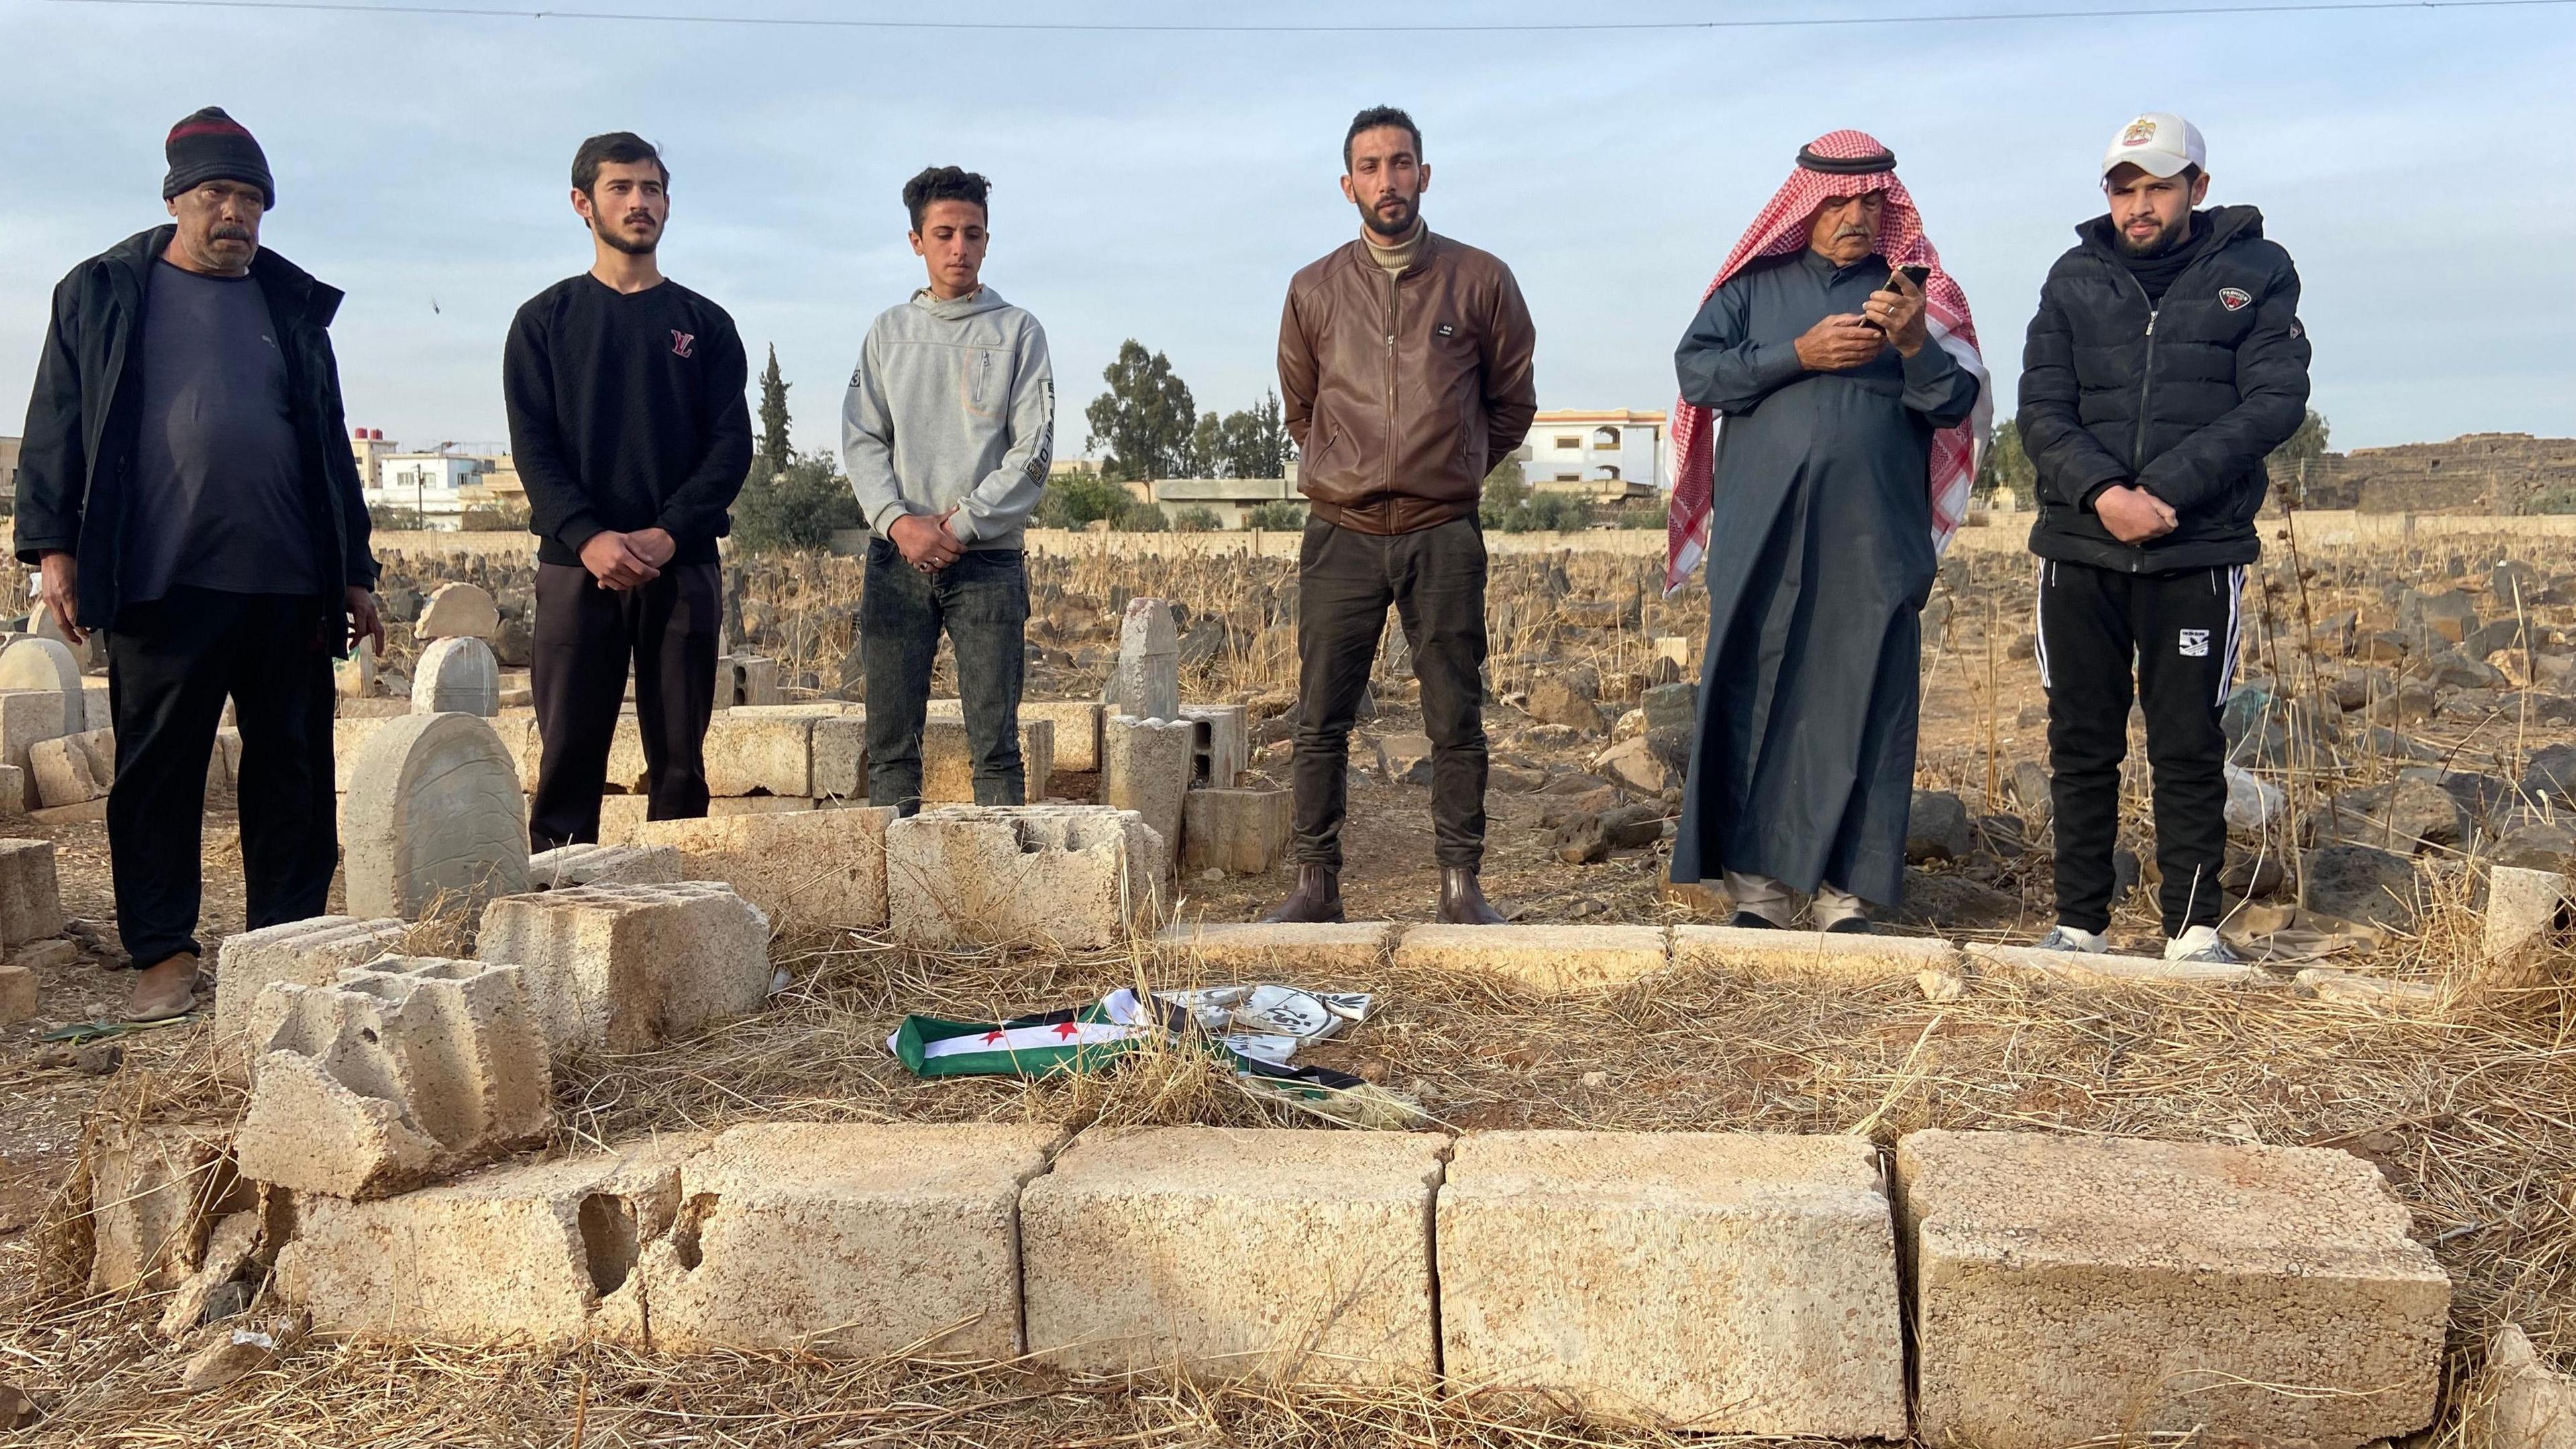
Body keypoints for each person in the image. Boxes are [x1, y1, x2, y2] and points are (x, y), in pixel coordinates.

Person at [14, 107, 383, 1021]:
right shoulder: (101, 292)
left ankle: (285, 940)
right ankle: (163, 954)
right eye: (219, 194)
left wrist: (357, 569)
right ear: (177, 198)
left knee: (293, 767)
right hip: (160, 575)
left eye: (253, 200)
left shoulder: (290, 306)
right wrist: (51, 548)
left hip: (290, 577)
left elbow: (331, 446)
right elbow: (56, 422)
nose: (238, 215)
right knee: (161, 771)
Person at [1666, 130, 1988, 933]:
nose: (1855, 215)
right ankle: (1762, 894)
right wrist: (1797, 355)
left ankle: (1847, 894)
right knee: (1755, 688)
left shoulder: (1917, 298)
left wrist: (1912, 344)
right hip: (1763, 532)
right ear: (1804, 203)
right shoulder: (1752, 290)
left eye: (1870, 201)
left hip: (1874, 540)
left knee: (1865, 699)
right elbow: (1698, 372)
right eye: (1838, 200)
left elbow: (1955, 406)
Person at [2021, 113, 2310, 963]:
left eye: (2157, 186)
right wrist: (2106, 493)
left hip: (2195, 549)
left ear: (2198, 188)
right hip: (2081, 548)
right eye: (2123, 188)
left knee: (2188, 740)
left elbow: (2273, 402)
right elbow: (2042, 409)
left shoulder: (2258, 272)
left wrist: (2163, 494)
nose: (2139, 205)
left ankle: (2191, 930)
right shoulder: (2074, 278)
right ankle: (2080, 924)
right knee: (2081, 740)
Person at [1267, 105, 1537, 926]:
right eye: (1372, 166)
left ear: (1426, 174)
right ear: (1347, 184)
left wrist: (1450, 471)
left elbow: (1512, 403)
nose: (1389, 180)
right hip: (1341, 533)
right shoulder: (1313, 289)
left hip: (1441, 533)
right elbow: (1302, 409)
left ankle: (1461, 885)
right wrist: (1349, 475)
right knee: (1320, 717)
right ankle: (1316, 885)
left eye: (1403, 162)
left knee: (1455, 713)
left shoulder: (1480, 279)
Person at [505, 131, 751, 851]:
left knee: (680, 760)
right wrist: (589, 537)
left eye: (651, 189)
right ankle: (555, 905)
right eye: (621, 188)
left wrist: (671, 530)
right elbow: (534, 449)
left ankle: (678, 906)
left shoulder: (705, 326)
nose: (638, 202)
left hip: (681, 566)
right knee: (569, 757)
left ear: (668, 204)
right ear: (584, 204)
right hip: (576, 567)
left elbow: (731, 446)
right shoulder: (544, 323)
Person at [841, 166, 1053, 813]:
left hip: (986, 560)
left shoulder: (1017, 331)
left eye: (972, 234)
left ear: (987, 241)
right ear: (917, 241)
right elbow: (863, 438)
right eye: (944, 234)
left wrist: (960, 526)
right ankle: (894, 894)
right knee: (890, 747)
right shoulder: (888, 332)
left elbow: (1033, 449)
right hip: (896, 558)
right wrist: (900, 523)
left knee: (995, 746)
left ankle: (997, 897)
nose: (958, 247)